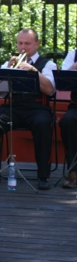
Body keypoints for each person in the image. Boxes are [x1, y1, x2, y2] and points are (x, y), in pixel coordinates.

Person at [0, 29, 56, 190]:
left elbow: (49, 90)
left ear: (36, 44)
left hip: (37, 108)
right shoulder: (10, 63)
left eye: (27, 43)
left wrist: (33, 70)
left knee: (43, 124)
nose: (23, 47)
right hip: (14, 106)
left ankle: (43, 176)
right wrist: (7, 68)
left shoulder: (48, 64)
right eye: (20, 43)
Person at [59, 48, 77, 188]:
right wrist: (75, 67)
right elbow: (62, 81)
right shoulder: (73, 54)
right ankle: (73, 171)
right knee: (67, 121)